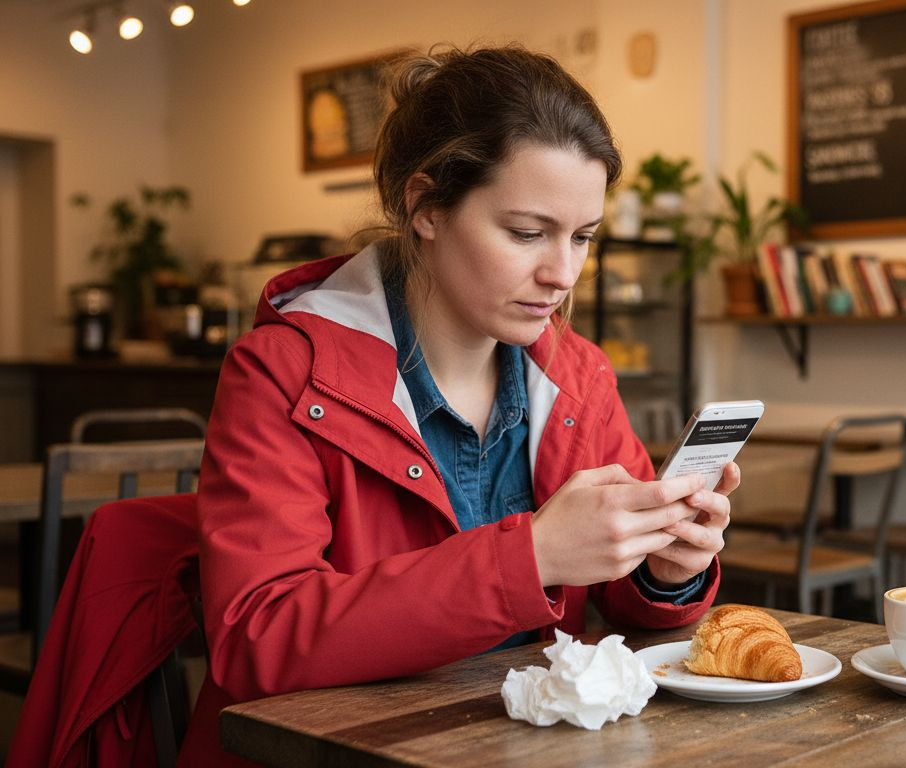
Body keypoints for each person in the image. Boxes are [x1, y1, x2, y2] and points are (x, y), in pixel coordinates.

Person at [179, 45, 737, 764]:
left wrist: (667, 569)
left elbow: (633, 607)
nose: (561, 273)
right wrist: (530, 557)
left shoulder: (579, 375)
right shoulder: (282, 373)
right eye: (527, 233)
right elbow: (259, 636)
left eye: (583, 238)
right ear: (426, 205)